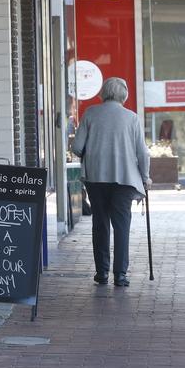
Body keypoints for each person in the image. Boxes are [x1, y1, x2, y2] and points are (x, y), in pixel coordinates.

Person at [72, 77, 151, 287]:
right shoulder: (131, 118)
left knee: (100, 224)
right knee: (122, 225)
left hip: (96, 177)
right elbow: (142, 153)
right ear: (123, 95)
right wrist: (145, 177)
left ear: (103, 92)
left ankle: (101, 272)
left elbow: (77, 147)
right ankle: (120, 274)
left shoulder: (90, 113)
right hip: (124, 179)